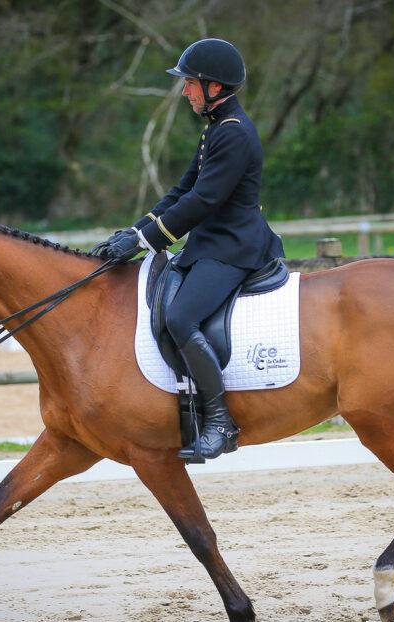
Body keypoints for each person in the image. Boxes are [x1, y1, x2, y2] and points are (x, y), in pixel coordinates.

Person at [92, 37, 285, 461]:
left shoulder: (234, 134)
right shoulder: (216, 129)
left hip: (234, 247)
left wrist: (147, 240)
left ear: (214, 86)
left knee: (181, 317)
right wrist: (133, 231)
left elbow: (204, 202)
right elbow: (182, 191)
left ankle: (219, 421)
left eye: (190, 84)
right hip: (210, 244)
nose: (185, 91)